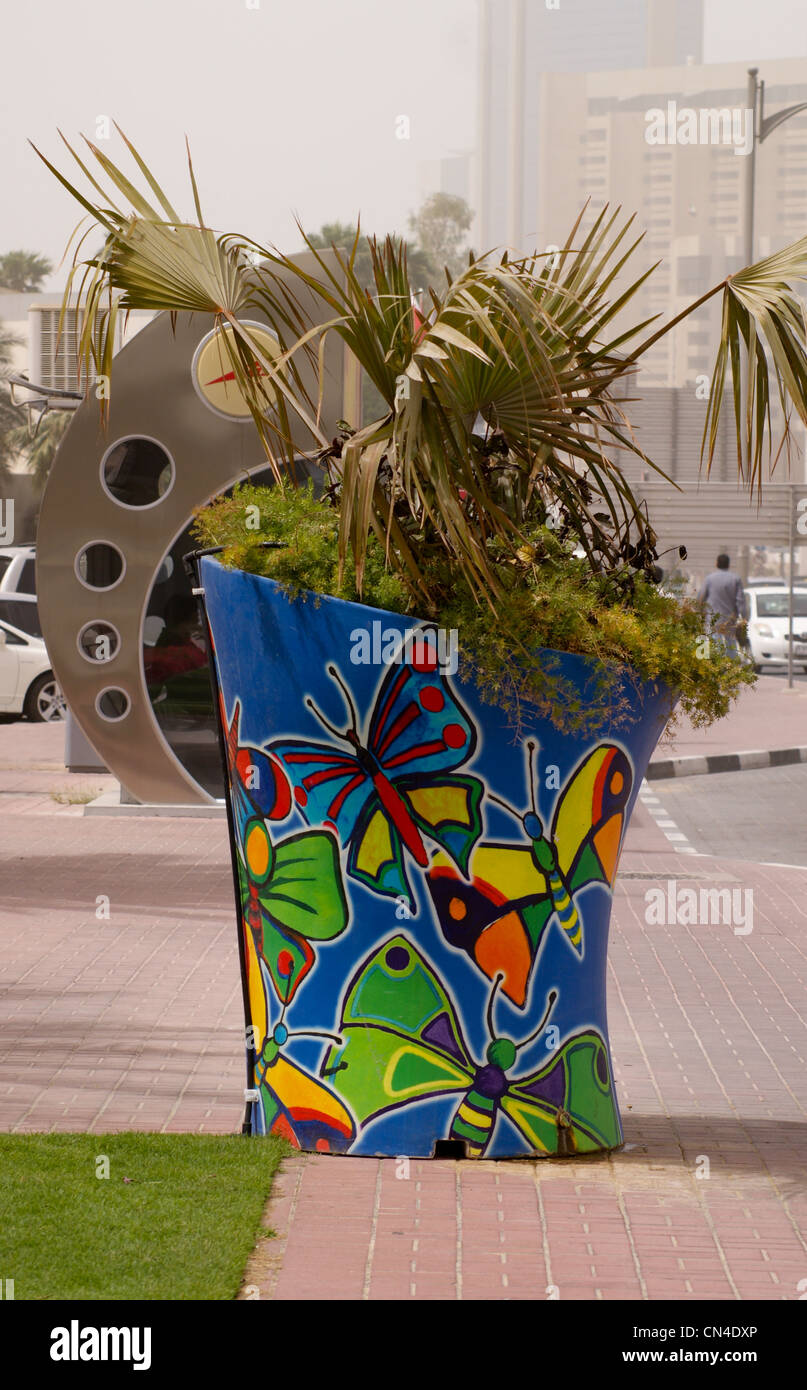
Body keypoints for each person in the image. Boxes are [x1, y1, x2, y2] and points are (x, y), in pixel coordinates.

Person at [697, 554, 747, 655]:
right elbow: (740, 601)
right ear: (728, 565)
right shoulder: (736, 579)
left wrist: (699, 613)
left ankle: (713, 666)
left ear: (716, 564)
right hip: (730, 620)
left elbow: (701, 597)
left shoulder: (709, 579)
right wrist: (744, 617)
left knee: (711, 642)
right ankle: (731, 667)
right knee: (730, 644)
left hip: (712, 618)